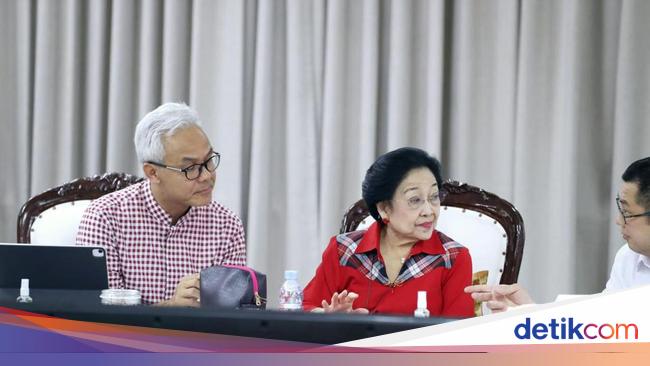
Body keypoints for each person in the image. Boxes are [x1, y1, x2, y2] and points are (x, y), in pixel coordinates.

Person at [76, 103, 246, 306]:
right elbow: (99, 316)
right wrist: (172, 306)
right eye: (191, 168)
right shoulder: (105, 217)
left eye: (209, 160)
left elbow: (234, 314)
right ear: (152, 173)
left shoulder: (227, 225)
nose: (207, 175)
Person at [303, 147, 474, 316]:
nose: (429, 211)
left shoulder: (453, 257)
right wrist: (329, 317)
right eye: (415, 200)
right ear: (384, 208)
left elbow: (458, 334)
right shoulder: (343, 250)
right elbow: (302, 308)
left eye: (434, 197)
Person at [465, 156, 650, 312]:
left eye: (626, 212)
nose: (618, 220)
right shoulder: (628, 258)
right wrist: (528, 312)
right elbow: (603, 326)